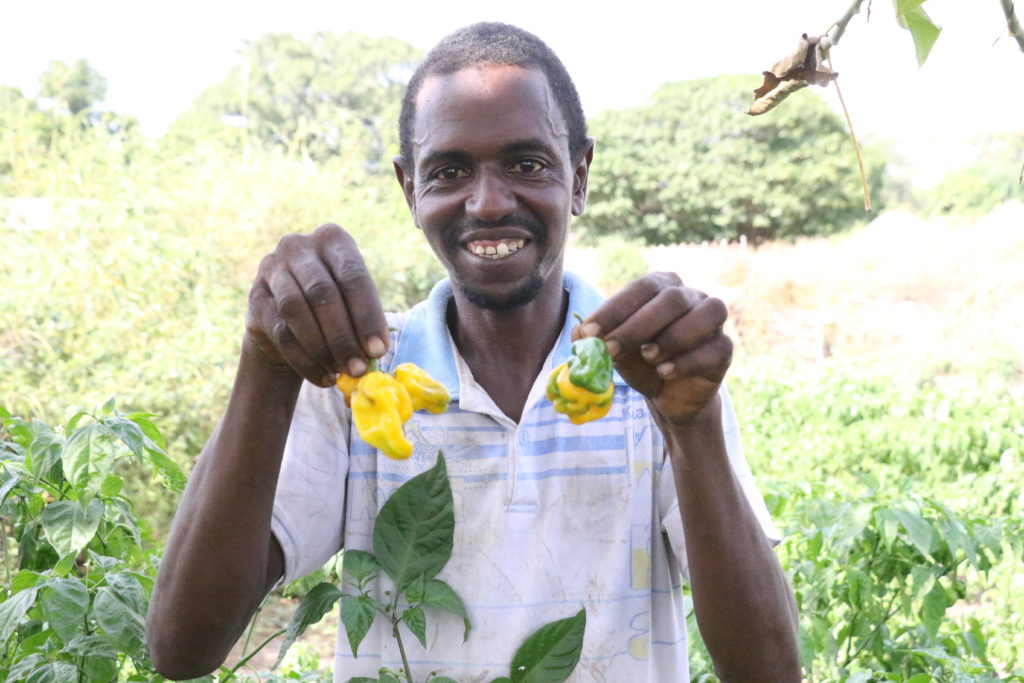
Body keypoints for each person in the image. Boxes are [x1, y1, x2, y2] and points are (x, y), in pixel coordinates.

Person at [147, 22, 800, 682]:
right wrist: (265, 366)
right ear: (410, 190)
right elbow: (182, 648)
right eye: (450, 170)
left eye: (527, 164)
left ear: (578, 177)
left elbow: (770, 671)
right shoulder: (357, 383)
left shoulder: (653, 376)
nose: (488, 202)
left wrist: (693, 429)